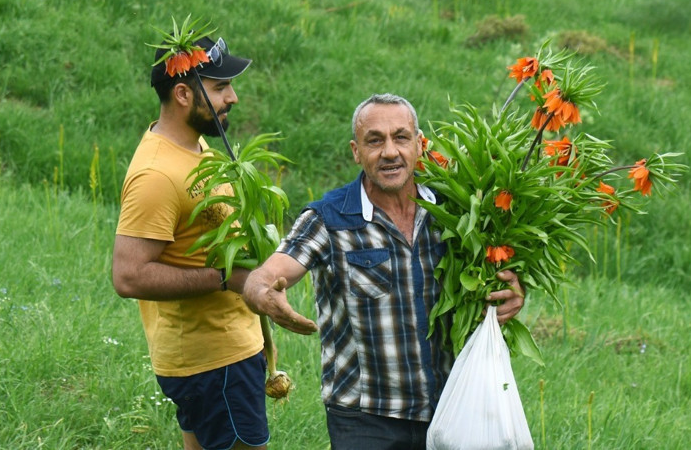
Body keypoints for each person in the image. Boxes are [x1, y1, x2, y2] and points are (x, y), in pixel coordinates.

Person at [241, 93, 525, 449]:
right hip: (365, 420)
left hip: (452, 403)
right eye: (374, 141)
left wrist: (510, 294)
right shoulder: (330, 219)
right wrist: (264, 294)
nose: (390, 152)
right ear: (356, 151)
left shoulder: (453, 213)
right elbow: (265, 276)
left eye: (401, 137)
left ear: (420, 145)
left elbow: (490, 282)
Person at [111, 30, 270, 450]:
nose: (232, 97)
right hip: (213, 362)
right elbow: (128, 276)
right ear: (183, 93)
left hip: (223, 353)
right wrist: (228, 279)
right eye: (220, 88)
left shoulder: (197, 147)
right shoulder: (157, 175)